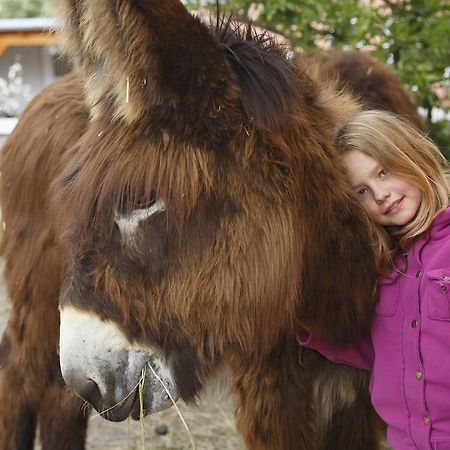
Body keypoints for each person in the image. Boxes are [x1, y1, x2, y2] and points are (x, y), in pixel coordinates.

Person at [298, 109, 450, 450]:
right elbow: (381, 352)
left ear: (413, 155)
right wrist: (304, 319)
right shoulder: (385, 269)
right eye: (362, 192)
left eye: (383, 172)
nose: (380, 194)